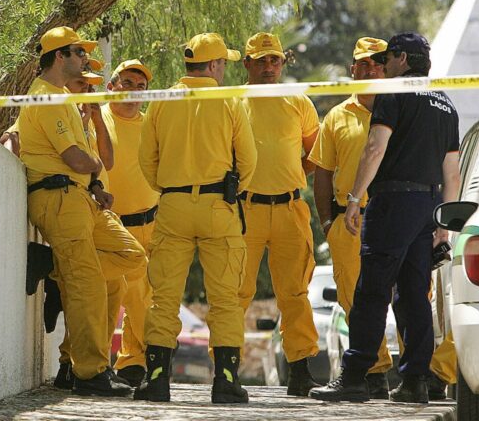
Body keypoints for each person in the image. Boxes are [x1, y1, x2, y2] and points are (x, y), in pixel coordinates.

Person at [311, 32, 461, 404]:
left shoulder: (392, 92)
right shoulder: (445, 103)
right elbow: (452, 174)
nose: (384, 64)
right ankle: (415, 382)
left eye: (389, 57)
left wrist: (353, 198)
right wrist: (443, 225)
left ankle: (355, 376)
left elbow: (375, 148)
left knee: (372, 291)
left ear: (403, 59)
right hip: (428, 205)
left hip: (392, 201)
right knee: (413, 295)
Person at [17, 26, 144, 397]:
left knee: (132, 257)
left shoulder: (63, 99)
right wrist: (91, 168)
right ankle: (89, 372)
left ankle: (53, 268)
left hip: (82, 198)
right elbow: (76, 157)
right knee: (88, 283)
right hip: (57, 198)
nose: (84, 60)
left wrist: (96, 183)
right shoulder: (45, 97)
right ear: (60, 56)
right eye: (78, 52)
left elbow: (93, 161)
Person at [134, 33, 256, 403]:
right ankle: (227, 382)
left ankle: (156, 380)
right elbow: (248, 160)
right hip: (219, 205)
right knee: (225, 299)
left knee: (164, 297)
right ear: (215, 65)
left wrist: (171, 188)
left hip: (172, 206)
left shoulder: (162, 101)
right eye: (224, 64)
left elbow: (146, 160)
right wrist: (230, 190)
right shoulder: (229, 100)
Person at [235, 32, 321, 397]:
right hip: (245, 208)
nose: (269, 67)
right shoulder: (232, 100)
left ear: (282, 63)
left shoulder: (298, 101)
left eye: (275, 60)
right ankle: (226, 369)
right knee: (234, 292)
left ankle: (300, 371)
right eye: (261, 60)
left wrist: (291, 174)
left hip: (289, 207)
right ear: (248, 64)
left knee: (295, 293)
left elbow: (313, 152)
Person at [308, 37, 394, 397]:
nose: (371, 68)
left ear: (388, 68)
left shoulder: (400, 108)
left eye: (377, 62)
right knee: (355, 300)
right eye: (364, 63)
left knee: (408, 295)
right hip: (348, 221)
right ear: (352, 70)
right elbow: (323, 172)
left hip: (391, 216)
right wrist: (328, 223)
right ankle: (375, 372)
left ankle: (424, 376)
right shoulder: (337, 116)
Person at [100, 59, 161, 388]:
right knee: (121, 294)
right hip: (111, 225)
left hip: (150, 221)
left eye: (141, 87)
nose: (135, 91)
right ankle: (153, 354)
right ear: (111, 87)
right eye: (127, 83)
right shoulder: (99, 121)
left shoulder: (151, 125)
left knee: (142, 295)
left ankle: (132, 362)